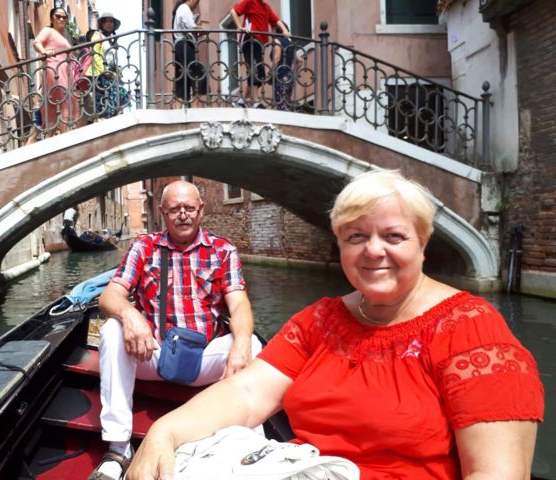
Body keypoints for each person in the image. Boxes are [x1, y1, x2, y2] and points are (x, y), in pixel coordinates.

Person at [126, 170, 544, 480]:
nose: (373, 251)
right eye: (356, 237)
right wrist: (165, 431)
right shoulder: (320, 321)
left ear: (423, 242)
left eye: (393, 237)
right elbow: (247, 393)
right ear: (340, 244)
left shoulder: (472, 331)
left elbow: (498, 473)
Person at [88, 180, 261, 480]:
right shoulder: (144, 247)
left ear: (201, 210)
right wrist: (130, 314)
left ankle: (252, 446)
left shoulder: (223, 250)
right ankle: (118, 448)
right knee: (112, 330)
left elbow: (239, 304)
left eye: (189, 208)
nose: (183, 214)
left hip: (204, 359)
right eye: (175, 209)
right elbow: (109, 296)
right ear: (162, 212)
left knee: (254, 345)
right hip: (152, 353)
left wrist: (242, 342)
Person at [230, 0, 289, 107]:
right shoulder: (250, 1)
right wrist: (240, 27)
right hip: (250, 40)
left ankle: (241, 100)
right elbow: (233, 11)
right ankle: (256, 101)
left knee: (259, 72)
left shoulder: (266, 7)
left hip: (260, 44)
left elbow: (276, 20)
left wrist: (285, 30)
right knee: (255, 69)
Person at [33, 7, 78, 136]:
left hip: (66, 72)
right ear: (52, 19)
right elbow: (36, 42)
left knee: (62, 103)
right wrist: (44, 52)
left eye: (64, 17)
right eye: (58, 16)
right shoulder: (48, 31)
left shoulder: (64, 37)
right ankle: (64, 137)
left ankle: (53, 135)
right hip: (55, 68)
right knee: (62, 101)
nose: (61, 19)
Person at [85, 12, 129, 120]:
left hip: (110, 74)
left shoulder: (111, 40)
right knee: (106, 97)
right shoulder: (97, 35)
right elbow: (95, 54)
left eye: (111, 22)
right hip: (100, 73)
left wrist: (117, 71)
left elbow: (112, 59)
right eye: (107, 21)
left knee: (121, 94)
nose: (109, 24)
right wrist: (104, 71)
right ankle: (104, 117)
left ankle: (113, 116)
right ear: (102, 24)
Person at [172, 0, 208, 107]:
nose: (196, 5)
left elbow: (187, 28)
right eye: (196, 2)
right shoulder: (184, 8)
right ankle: (195, 107)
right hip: (185, 45)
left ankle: (177, 109)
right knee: (199, 74)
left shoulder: (180, 9)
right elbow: (190, 26)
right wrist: (202, 28)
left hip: (179, 46)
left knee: (182, 78)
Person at [270, 21, 303, 111]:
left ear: (275, 30)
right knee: (286, 102)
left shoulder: (277, 41)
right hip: (289, 76)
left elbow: (277, 58)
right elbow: (300, 61)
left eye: (272, 29)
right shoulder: (290, 43)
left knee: (281, 104)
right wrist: (292, 72)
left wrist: (270, 73)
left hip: (280, 75)